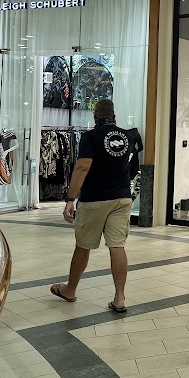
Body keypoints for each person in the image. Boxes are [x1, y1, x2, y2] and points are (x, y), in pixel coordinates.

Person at [49, 99, 134, 313]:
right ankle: (120, 297)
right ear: (114, 115)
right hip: (122, 198)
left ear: (95, 115)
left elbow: (82, 167)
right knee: (117, 246)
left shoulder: (90, 136)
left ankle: (70, 290)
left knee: (83, 245)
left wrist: (70, 198)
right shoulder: (127, 136)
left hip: (95, 199)